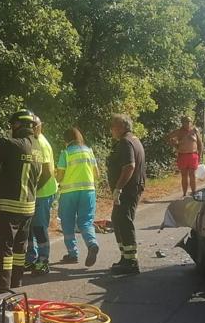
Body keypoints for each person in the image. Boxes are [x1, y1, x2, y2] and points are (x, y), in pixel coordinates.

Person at [0, 110, 49, 291]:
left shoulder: (17, 145)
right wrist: (30, 191)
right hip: (28, 207)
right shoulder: (37, 147)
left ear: (17, 125)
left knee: (3, 247)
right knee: (19, 248)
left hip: (10, 207)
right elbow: (46, 175)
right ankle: (16, 281)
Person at [106, 114, 146, 275]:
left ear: (121, 127)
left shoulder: (125, 142)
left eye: (113, 126)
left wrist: (119, 188)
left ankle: (131, 261)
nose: (111, 130)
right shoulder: (133, 139)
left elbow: (129, 166)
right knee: (117, 219)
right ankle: (125, 256)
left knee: (124, 219)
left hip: (128, 189)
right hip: (131, 187)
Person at [56, 127, 99, 266]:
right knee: (86, 222)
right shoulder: (89, 151)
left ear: (66, 140)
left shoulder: (66, 153)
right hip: (88, 192)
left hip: (69, 193)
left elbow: (60, 176)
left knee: (67, 223)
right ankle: (92, 243)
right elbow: (97, 174)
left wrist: (55, 176)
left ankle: (72, 253)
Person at [25, 115, 57, 275]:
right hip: (35, 191)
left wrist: (33, 190)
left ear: (38, 126)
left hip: (43, 192)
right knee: (30, 227)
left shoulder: (41, 143)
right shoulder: (33, 141)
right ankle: (31, 258)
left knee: (39, 227)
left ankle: (44, 260)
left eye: (33, 126)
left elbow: (47, 172)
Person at [168, 115, 205, 197]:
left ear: (191, 122)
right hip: (182, 155)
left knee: (192, 175)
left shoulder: (195, 131)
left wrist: (200, 155)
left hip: (193, 155)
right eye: (186, 121)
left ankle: (194, 193)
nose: (188, 123)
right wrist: (175, 145)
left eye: (189, 121)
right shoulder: (179, 131)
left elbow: (200, 144)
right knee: (184, 175)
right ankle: (184, 193)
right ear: (182, 123)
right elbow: (168, 137)